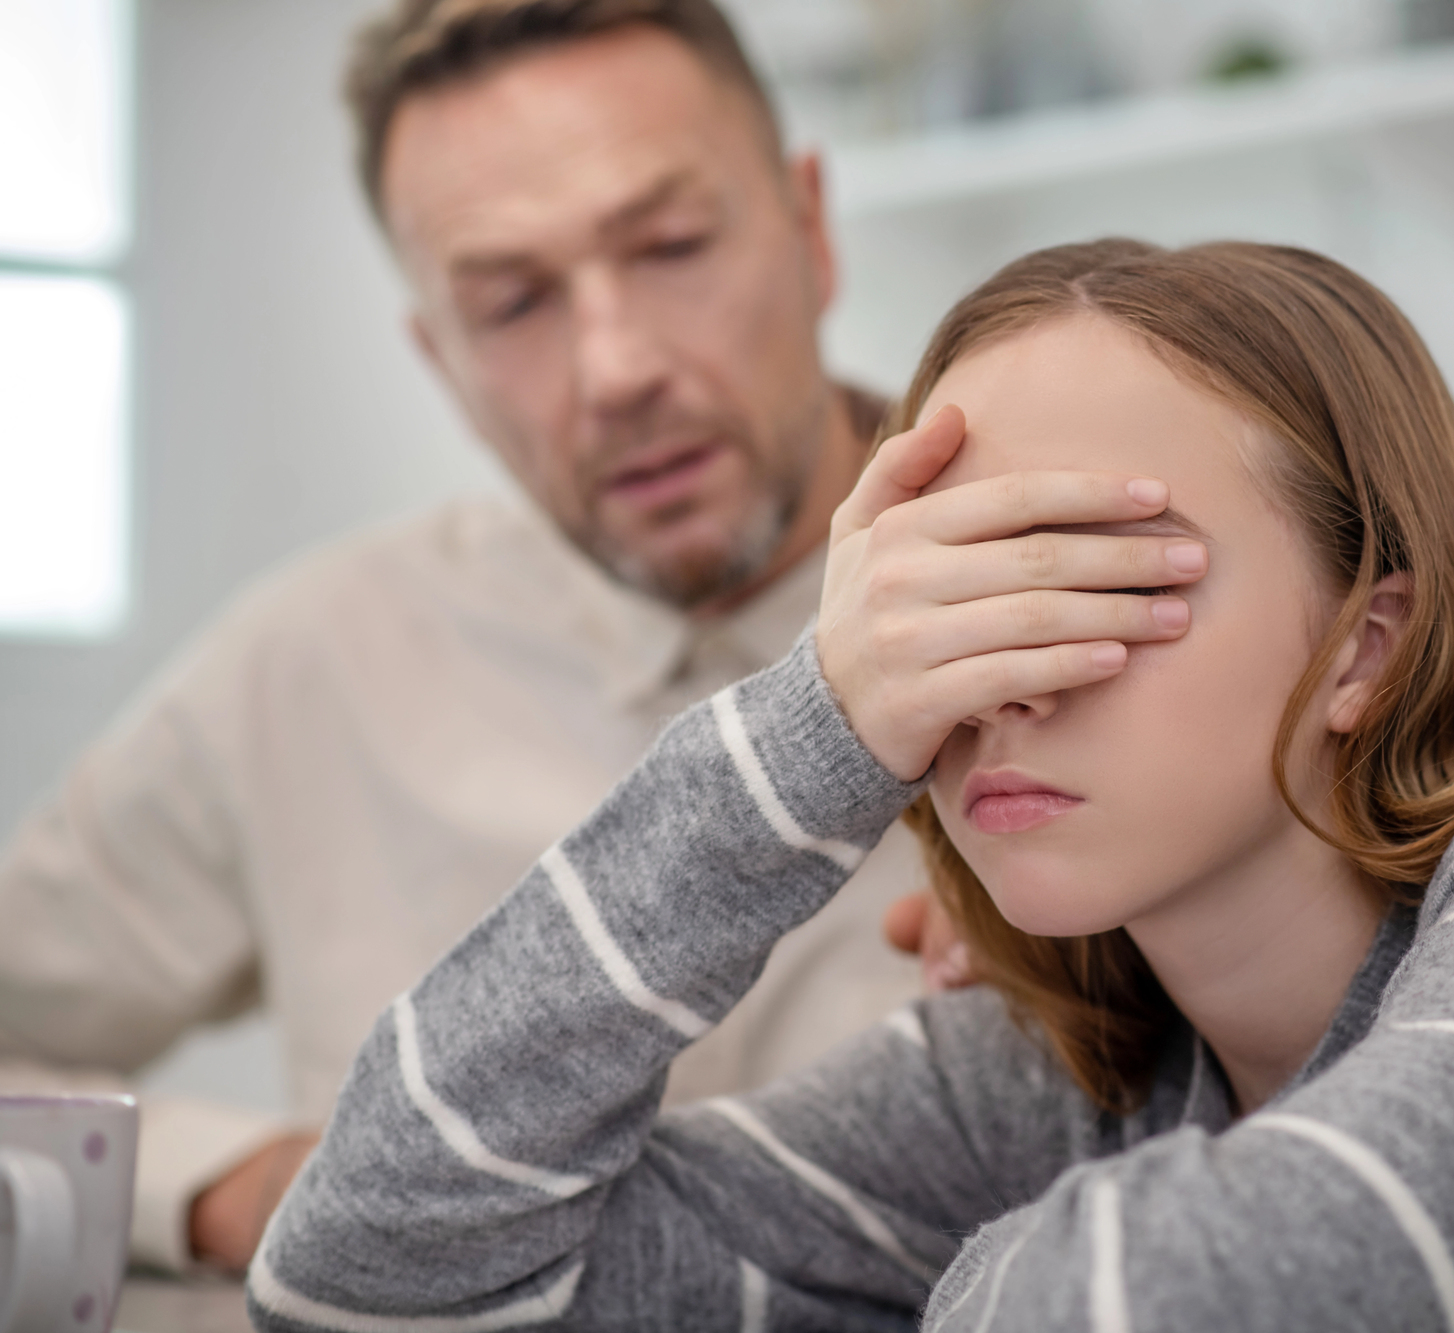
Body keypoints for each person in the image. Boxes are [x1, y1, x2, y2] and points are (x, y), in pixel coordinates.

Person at [250, 240, 1454, 1331]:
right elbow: (372, 1266)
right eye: (935, 598)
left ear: (1367, 641)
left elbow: (1189, 1298)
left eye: (1090, 579)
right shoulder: (1068, 1071)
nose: (995, 677)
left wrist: (950, 1282)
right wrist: (808, 732)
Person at [0, 0, 934, 1273]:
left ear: (809, 230)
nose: (614, 368)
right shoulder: (308, 665)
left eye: (667, 244)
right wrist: (222, 1180)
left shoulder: (1093, 617)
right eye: (510, 304)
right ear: (438, 358)